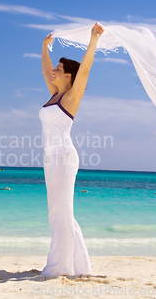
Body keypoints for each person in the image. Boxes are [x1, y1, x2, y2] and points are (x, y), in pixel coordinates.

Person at [39, 22, 104, 276]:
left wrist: (93, 40)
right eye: (55, 67)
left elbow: (85, 71)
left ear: (68, 75)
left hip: (65, 158)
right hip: (50, 158)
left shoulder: (71, 98)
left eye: (59, 69)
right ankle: (77, 266)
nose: (53, 71)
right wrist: (44, 47)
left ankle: (60, 268)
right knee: (56, 213)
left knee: (62, 212)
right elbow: (46, 71)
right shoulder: (54, 95)